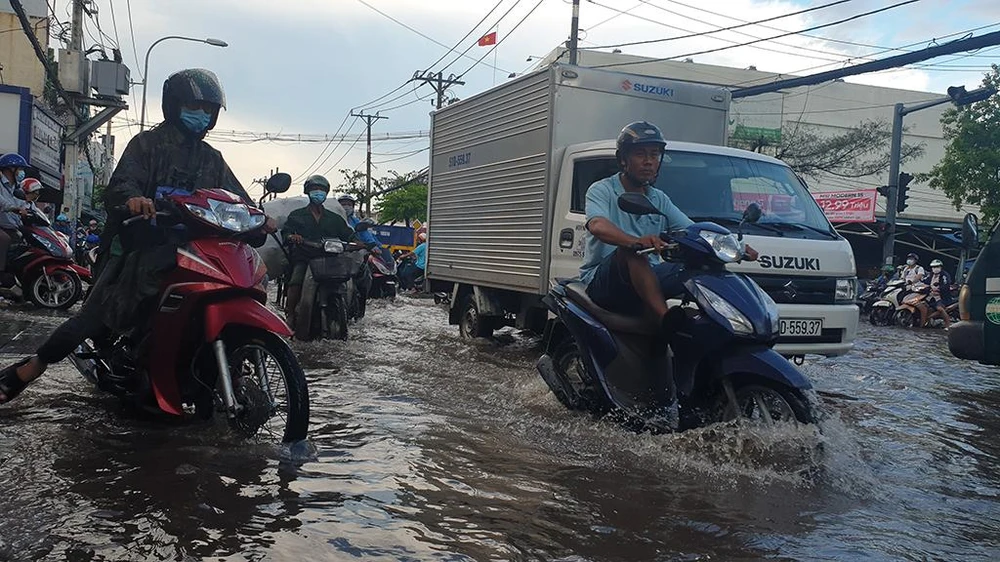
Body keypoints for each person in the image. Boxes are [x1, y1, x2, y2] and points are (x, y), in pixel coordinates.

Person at [0, 67, 276, 405]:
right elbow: (120, 187)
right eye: (194, 106)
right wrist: (134, 199)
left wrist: (260, 218)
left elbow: (237, 198)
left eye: (208, 110)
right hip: (140, 246)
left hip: (197, 251)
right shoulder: (147, 144)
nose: (201, 115)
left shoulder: (213, 159)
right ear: (174, 106)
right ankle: (31, 368)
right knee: (93, 317)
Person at [581, 121, 756, 331]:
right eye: (640, 154)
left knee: (701, 266)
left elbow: (693, 230)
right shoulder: (602, 190)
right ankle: (667, 323)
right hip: (604, 281)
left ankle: (731, 324)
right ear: (623, 159)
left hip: (650, 275)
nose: (648, 161)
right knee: (632, 254)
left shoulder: (658, 199)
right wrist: (634, 242)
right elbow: (598, 225)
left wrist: (734, 247)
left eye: (654, 155)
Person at [282, 175, 356, 329]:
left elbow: (348, 234)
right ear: (308, 192)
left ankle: (347, 312)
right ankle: (290, 314)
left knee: (347, 281)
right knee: (296, 280)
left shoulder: (334, 218)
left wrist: (360, 243)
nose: (318, 193)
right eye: (315, 189)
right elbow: (286, 232)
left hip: (329, 259)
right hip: (304, 257)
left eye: (322, 190)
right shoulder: (297, 215)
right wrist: (292, 236)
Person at [0, 153, 32, 287]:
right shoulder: (1, 185)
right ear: (11, 169)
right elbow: (2, 202)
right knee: (4, 239)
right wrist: (14, 209)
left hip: (13, 227)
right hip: (2, 227)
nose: (22, 172)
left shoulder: (17, 188)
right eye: (20, 169)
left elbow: (25, 203)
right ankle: (0, 274)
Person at [337, 193, 392, 264]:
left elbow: (365, 234)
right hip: (336, 250)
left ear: (353, 207)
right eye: (343, 204)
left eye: (349, 205)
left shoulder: (355, 221)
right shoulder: (333, 219)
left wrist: (374, 245)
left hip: (353, 251)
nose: (346, 207)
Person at [919, 259, 954, 329]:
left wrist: (939, 288)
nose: (935, 268)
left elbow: (946, 285)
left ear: (941, 267)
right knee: (922, 304)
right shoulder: (931, 275)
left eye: (937, 267)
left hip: (941, 296)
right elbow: (925, 281)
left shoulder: (944, 275)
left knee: (939, 308)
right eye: (933, 267)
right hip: (930, 296)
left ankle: (948, 324)